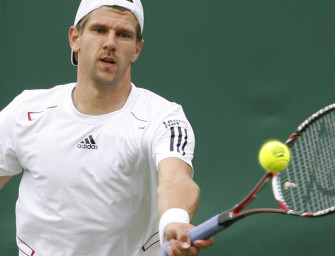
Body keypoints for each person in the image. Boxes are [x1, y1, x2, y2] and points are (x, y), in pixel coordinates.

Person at [0, 0, 214, 255]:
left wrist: (174, 220)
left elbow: (175, 179)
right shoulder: (25, 111)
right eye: (99, 30)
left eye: (123, 35)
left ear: (137, 49)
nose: (110, 43)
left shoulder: (164, 117)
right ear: (75, 38)